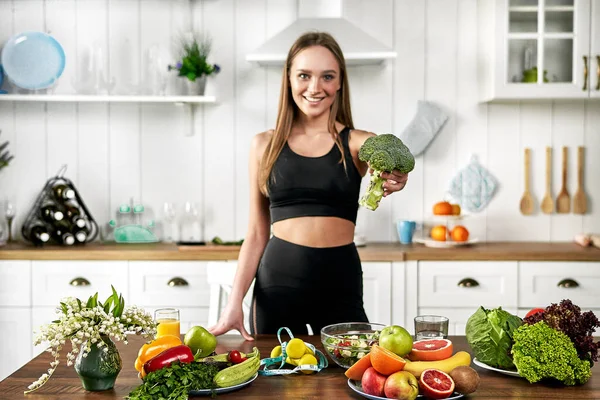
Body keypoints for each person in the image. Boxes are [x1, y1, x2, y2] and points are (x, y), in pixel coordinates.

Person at [208, 32, 409, 341]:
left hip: (342, 283)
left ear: (340, 82)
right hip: (278, 283)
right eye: (304, 75)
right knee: (275, 382)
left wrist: (397, 176)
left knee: (350, 378)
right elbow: (258, 233)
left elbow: (390, 159)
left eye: (327, 76)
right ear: (289, 79)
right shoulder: (264, 145)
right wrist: (234, 304)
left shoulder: (357, 143)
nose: (315, 88)